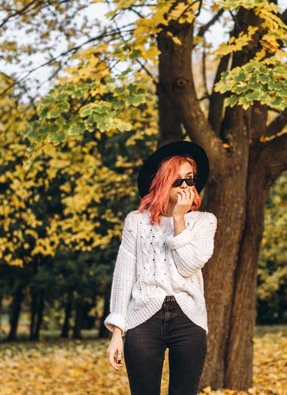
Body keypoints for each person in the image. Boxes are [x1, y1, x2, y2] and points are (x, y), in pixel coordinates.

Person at [104, 140, 217, 395]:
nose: (187, 186)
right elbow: (124, 277)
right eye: (178, 181)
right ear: (163, 183)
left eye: (190, 179)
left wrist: (179, 219)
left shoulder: (204, 222)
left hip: (189, 320)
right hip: (143, 319)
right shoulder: (136, 222)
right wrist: (116, 334)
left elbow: (188, 266)